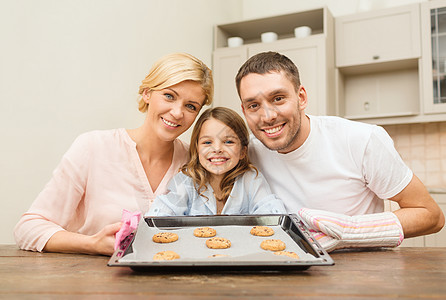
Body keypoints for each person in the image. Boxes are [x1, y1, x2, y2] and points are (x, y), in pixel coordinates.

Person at [235, 51, 445, 252]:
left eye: (278, 98)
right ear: (244, 111)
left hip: (364, 274)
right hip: (288, 274)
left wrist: (349, 232)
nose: (268, 116)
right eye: (253, 105)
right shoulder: (248, 154)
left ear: (301, 98)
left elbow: (431, 216)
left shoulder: (362, 139)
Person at [14, 52, 214, 256]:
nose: (177, 112)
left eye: (191, 106)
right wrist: (93, 244)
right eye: (169, 96)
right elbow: (28, 228)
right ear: (147, 93)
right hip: (93, 282)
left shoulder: (196, 162)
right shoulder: (93, 147)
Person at [146, 107, 286, 216]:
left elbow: (273, 213)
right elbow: (160, 214)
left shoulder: (251, 180)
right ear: (197, 149)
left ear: (243, 151)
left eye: (228, 142)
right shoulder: (186, 180)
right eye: (207, 142)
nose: (217, 149)